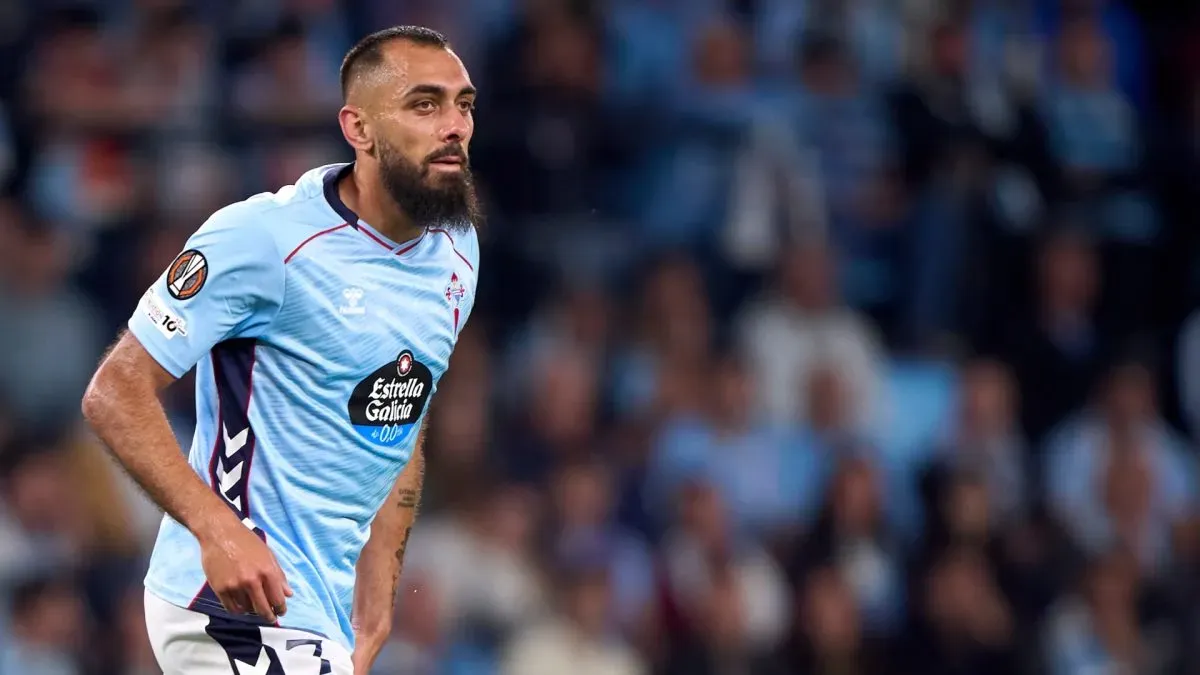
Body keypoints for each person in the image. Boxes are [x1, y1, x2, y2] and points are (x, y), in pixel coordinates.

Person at [80, 26, 482, 675]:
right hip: (228, 604)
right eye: (424, 104)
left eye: (463, 104)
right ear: (359, 128)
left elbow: (401, 412)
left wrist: (377, 597)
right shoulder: (263, 239)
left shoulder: (457, 252)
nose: (454, 125)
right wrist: (217, 529)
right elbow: (113, 390)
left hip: (317, 614)